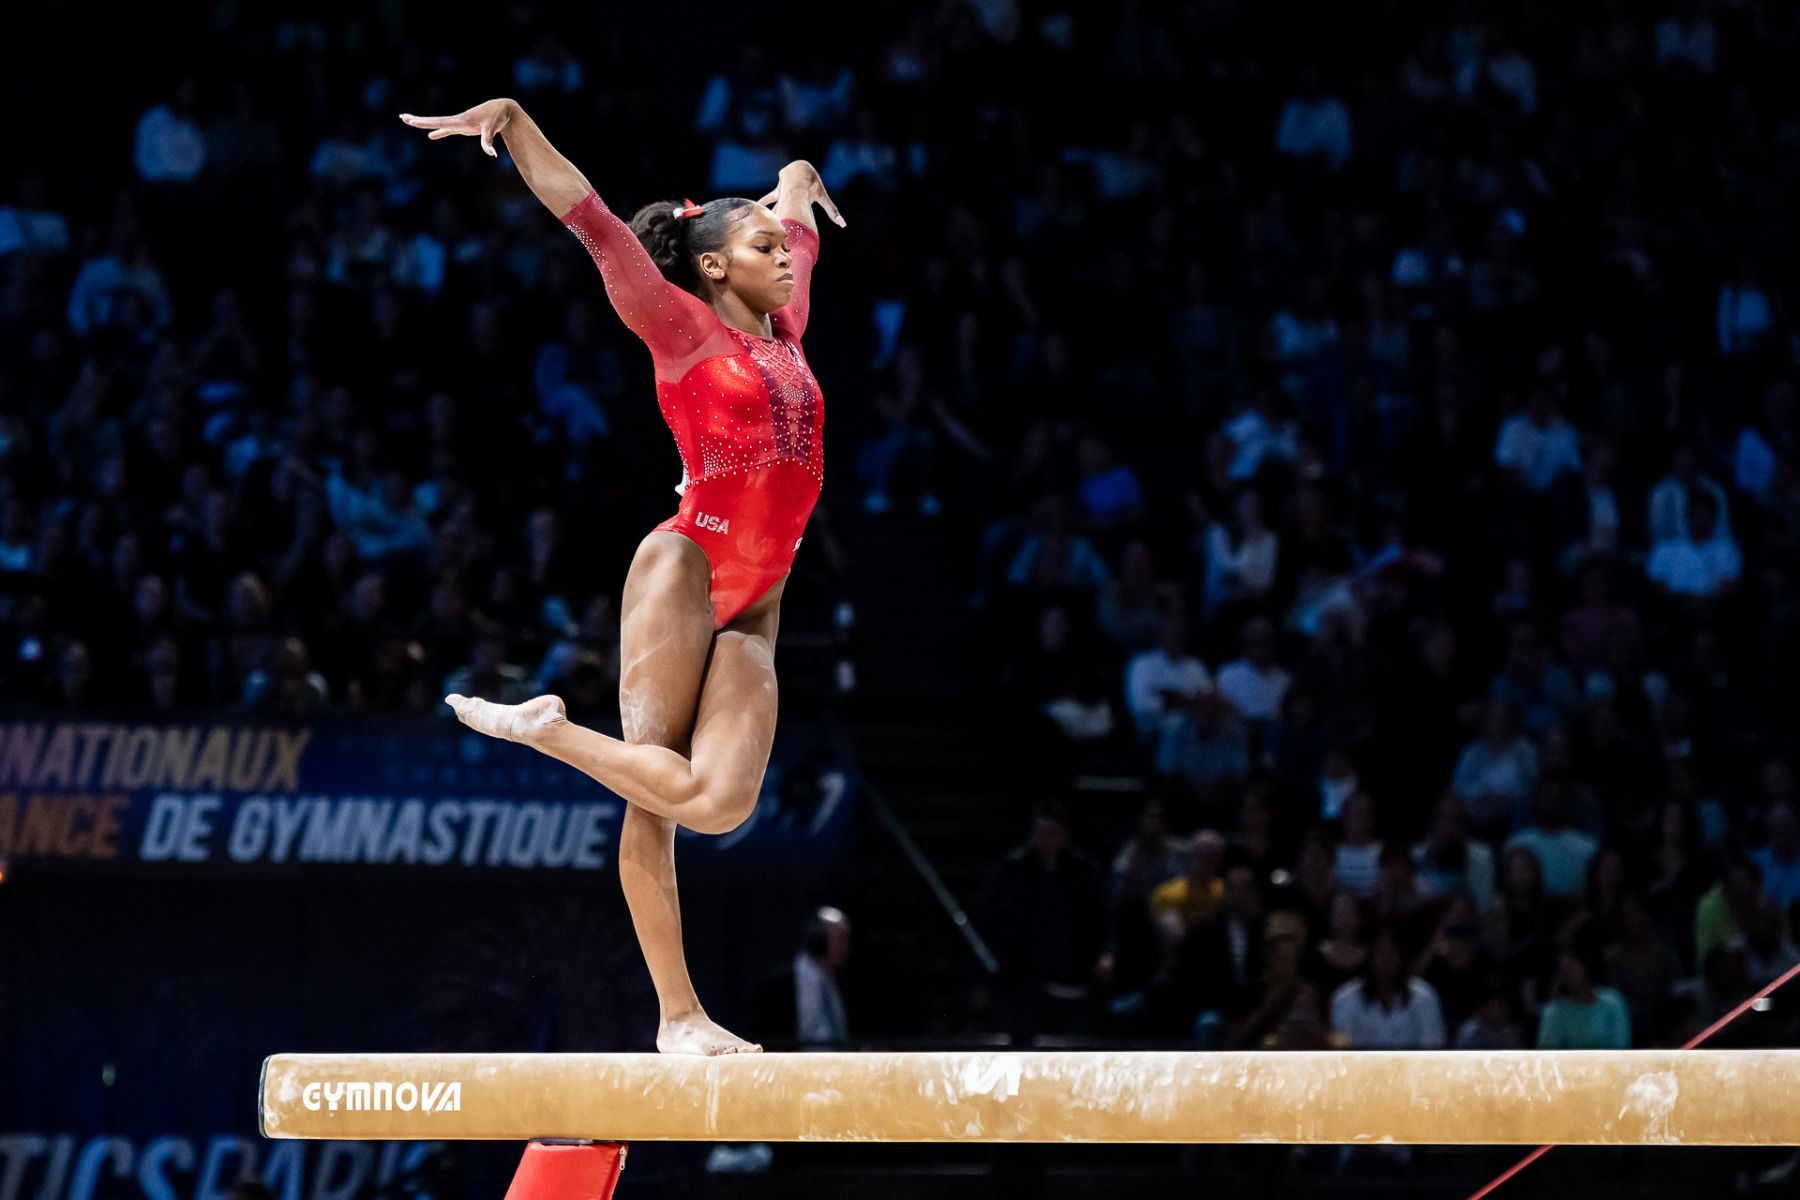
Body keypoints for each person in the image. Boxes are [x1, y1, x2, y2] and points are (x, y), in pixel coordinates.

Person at [403, 98, 844, 1056]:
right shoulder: (680, 328)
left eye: (780, 248)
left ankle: (553, 732)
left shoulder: (787, 333)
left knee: (720, 803)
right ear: (715, 265)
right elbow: (593, 222)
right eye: (761, 245)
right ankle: (678, 1017)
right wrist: (516, 124)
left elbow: (799, 226)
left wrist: (798, 180)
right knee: (656, 805)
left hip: (761, 602)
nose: (783, 256)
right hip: (685, 564)